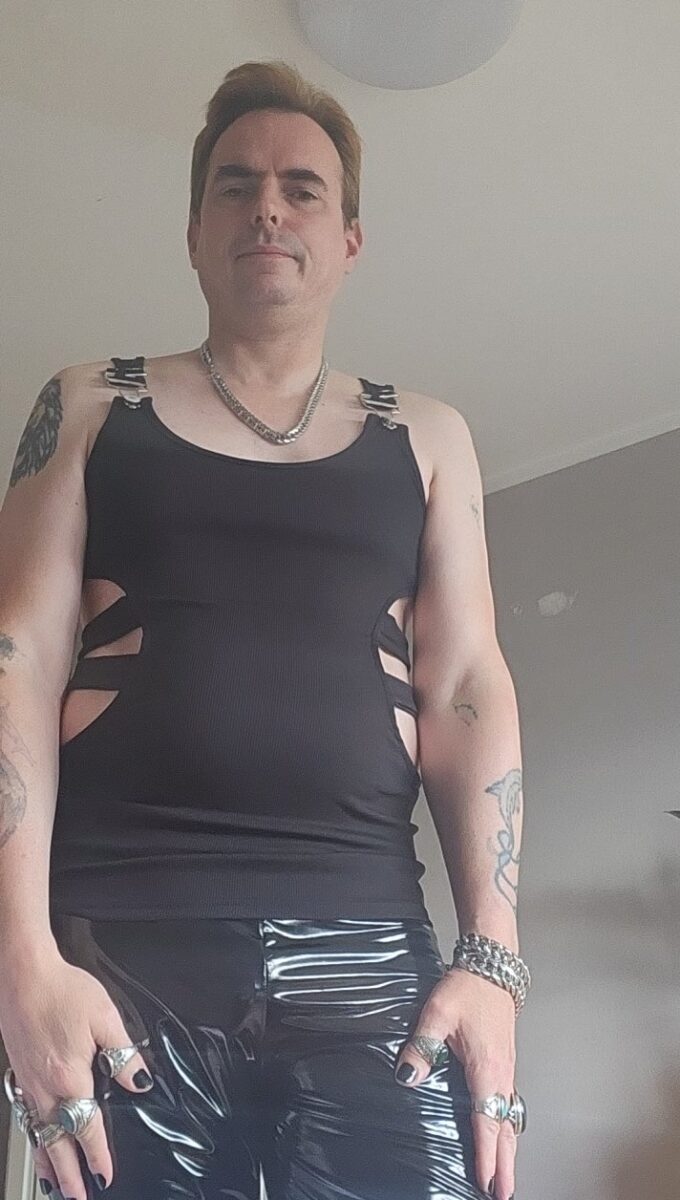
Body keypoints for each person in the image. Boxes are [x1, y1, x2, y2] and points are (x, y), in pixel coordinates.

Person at [0, 60, 529, 1200]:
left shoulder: (428, 437)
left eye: (301, 188)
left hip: (367, 942)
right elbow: (18, 661)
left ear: (348, 238)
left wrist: (494, 960)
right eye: (234, 186)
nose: (267, 209)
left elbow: (465, 687)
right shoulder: (89, 404)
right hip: (125, 940)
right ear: (195, 233)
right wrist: (18, 959)